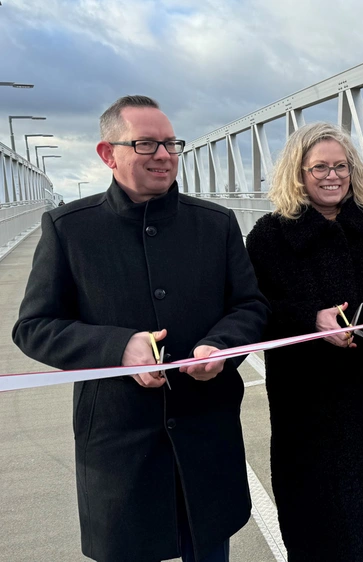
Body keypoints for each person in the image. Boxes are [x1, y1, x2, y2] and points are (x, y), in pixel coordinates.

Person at [12, 95, 269, 562]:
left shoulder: (216, 224)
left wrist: (221, 346)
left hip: (205, 428)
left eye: (171, 143)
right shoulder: (68, 228)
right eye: (147, 144)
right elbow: (33, 327)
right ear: (108, 154)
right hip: (118, 441)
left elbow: (250, 305)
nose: (165, 155)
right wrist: (117, 347)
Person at [245, 122, 363, 561]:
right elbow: (255, 309)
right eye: (319, 168)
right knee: (322, 519)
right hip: (310, 406)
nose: (332, 176)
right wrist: (310, 319)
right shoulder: (270, 237)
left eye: (341, 166)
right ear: (298, 173)